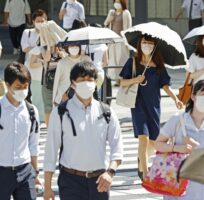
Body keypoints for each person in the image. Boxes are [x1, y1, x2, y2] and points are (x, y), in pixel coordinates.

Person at [43, 61, 123, 200]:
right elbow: (51, 151)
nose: (86, 83)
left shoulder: (106, 112)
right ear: (73, 83)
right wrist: (48, 187)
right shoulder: (61, 112)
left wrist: (110, 172)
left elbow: (118, 147)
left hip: (99, 181)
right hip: (70, 181)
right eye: (81, 80)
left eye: (90, 80)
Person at [119, 34, 183, 180]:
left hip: (154, 105)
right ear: (139, 44)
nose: (147, 45)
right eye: (144, 42)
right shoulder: (133, 62)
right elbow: (122, 82)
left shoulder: (159, 66)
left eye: (150, 43)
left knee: (154, 142)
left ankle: (140, 160)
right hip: (137, 104)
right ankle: (146, 173)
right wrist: (136, 79)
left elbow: (166, 86)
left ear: (155, 46)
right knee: (144, 138)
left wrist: (175, 99)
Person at [155, 80, 204, 200]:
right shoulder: (178, 119)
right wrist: (177, 148)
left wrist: (196, 146)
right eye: (203, 94)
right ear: (193, 96)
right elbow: (158, 144)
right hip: (177, 180)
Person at [0, 62, 40, 199]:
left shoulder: (31, 111)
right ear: (7, 84)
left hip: (25, 172)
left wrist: (36, 173)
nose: (23, 90)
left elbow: (33, 144)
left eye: (25, 87)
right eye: (18, 87)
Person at [21, 9, 48, 122]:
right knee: (29, 92)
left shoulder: (48, 32)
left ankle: (41, 117)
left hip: (44, 67)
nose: (40, 23)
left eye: (43, 20)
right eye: (38, 21)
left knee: (43, 94)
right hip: (30, 67)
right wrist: (38, 49)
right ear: (33, 21)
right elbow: (24, 48)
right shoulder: (28, 32)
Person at [104, 0, 132, 85]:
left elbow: (129, 27)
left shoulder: (126, 13)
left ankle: (123, 78)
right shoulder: (111, 12)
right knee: (113, 60)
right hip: (112, 40)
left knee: (122, 59)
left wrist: (127, 40)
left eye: (119, 2)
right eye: (115, 2)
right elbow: (105, 24)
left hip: (122, 40)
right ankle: (116, 79)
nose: (117, 4)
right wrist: (109, 20)